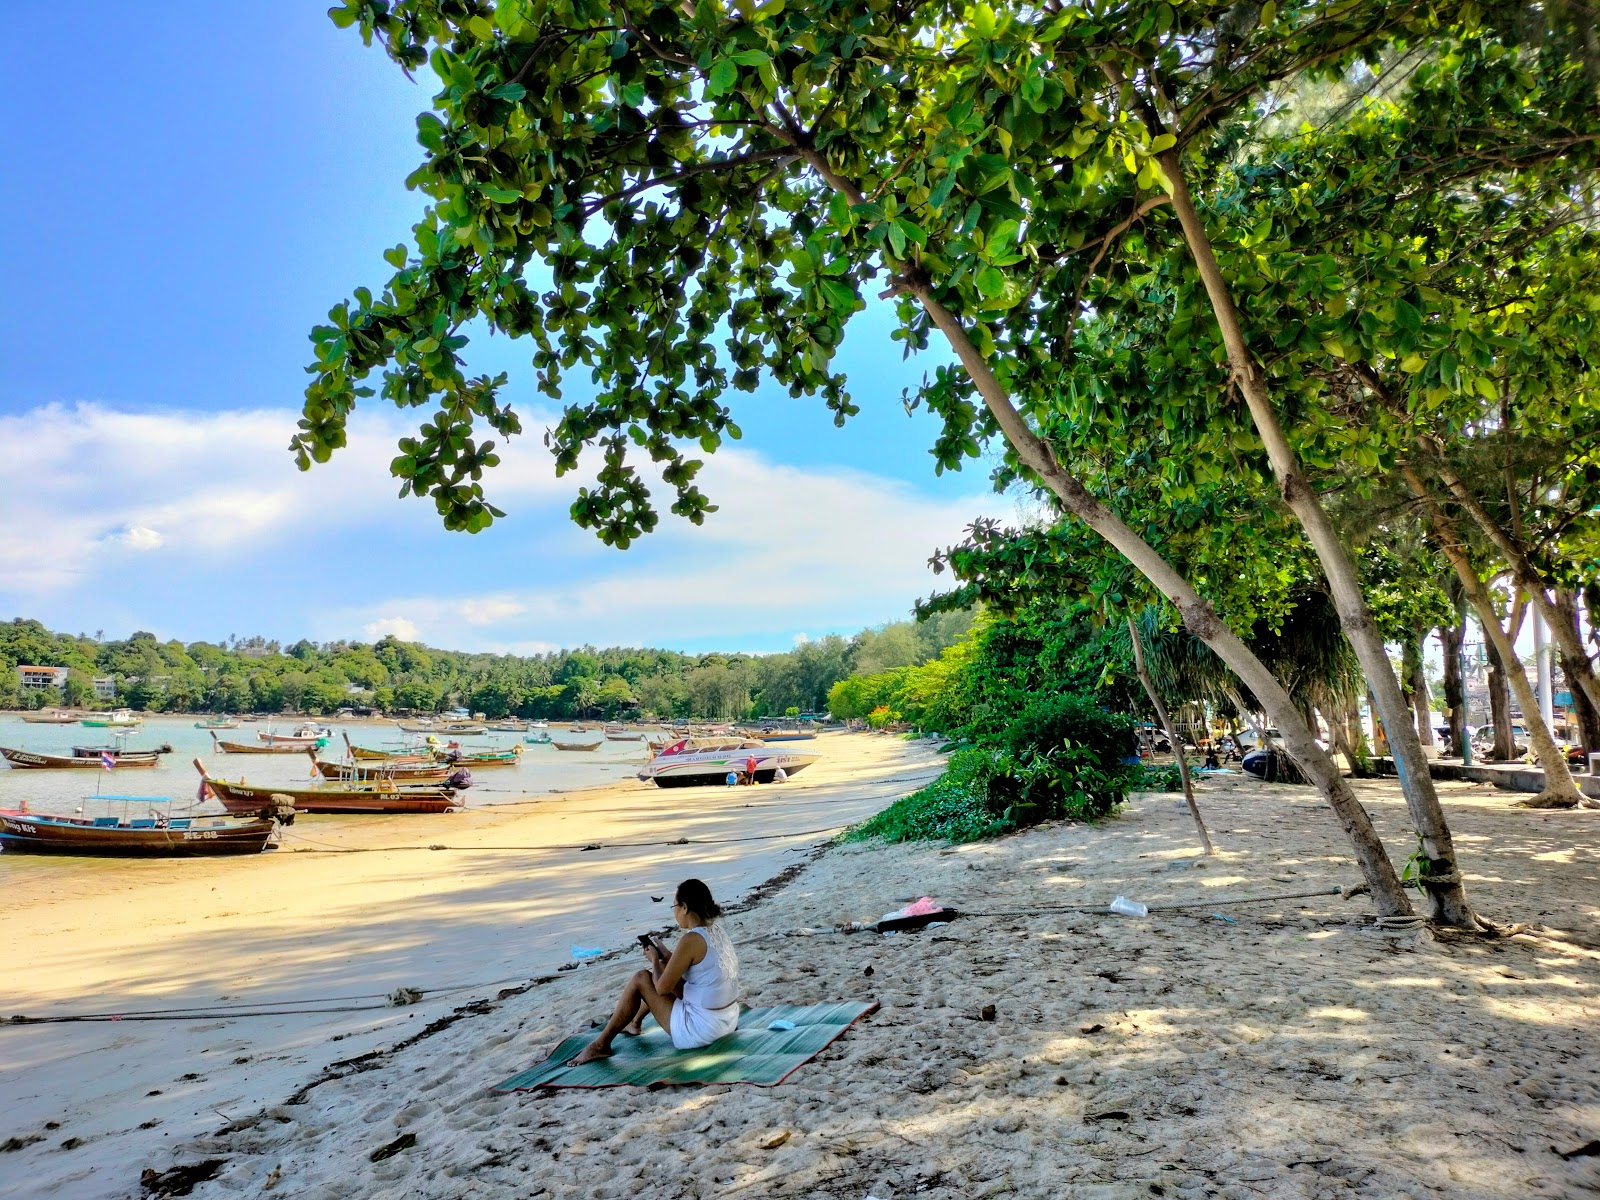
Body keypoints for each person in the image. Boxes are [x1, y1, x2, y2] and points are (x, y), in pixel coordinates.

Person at [570, 878, 740, 1064]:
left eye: (674, 906)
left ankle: (600, 1045)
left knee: (642, 978)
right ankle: (634, 1023)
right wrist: (666, 956)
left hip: (702, 1031)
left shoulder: (691, 939)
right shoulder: (715, 931)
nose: (674, 912)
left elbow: (661, 989)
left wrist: (654, 961)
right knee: (667, 975)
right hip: (728, 1021)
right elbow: (696, 972)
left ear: (684, 907)